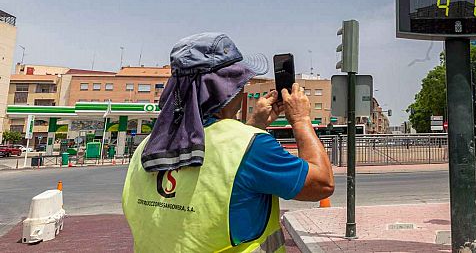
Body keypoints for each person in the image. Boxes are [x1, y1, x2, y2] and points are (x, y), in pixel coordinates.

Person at [122, 33, 334, 252]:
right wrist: (301, 119)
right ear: (226, 89)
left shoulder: (147, 146)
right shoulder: (251, 146)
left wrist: (253, 125)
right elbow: (321, 184)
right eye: (240, 82)